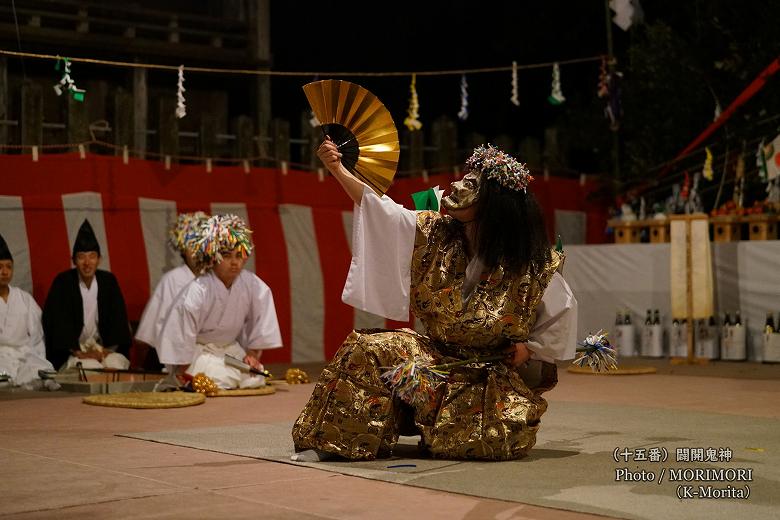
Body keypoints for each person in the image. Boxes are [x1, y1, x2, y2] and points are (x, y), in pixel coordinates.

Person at [292, 141, 578, 462]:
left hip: (483, 375)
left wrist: (531, 349)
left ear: (493, 203)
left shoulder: (530, 264)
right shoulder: (436, 233)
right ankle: (336, 443)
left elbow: (561, 317)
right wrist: (338, 169)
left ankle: (433, 426)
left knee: (486, 443)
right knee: (369, 347)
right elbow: (381, 209)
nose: (455, 184)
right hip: (432, 363)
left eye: (470, 184)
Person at [157, 214, 282, 389]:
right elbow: (181, 333)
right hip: (199, 352)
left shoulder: (251, 284)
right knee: (224, 378)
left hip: (230, 350)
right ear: (213, 257)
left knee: (255, 376)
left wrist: (252, 355)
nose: (234, 262)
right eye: (227, 255)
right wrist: (182, 370)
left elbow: (261, 321)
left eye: (239, 255)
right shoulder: (198, 289)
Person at [42, 219, 132, 371]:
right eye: (81, 257)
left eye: (92, 256)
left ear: (99, 259)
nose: (87, 262)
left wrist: (105, 351)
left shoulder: (108, 281)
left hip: (103, 349)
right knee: (89, 368)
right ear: (74, 261)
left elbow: (118, 319)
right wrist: (77, 351)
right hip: (73, 351)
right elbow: (57, 322)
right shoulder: (63, 282)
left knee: (115, 365)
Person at [135, 212, 209, 365]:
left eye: (200, 245)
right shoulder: (172, 280)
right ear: (182, 248)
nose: (196, 252)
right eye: (191, 246)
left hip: (209, 351)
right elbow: (149, 333)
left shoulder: (214, 279)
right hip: (175, 353)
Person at [0, 233, 58, 389]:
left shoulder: (24, 298)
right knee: (3, 376)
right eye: (0, 267)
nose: (4, 272)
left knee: (39, 369)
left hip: (24, 354)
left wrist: (34, 355)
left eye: (8, 267)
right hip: (1, 356)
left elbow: (37, 337)